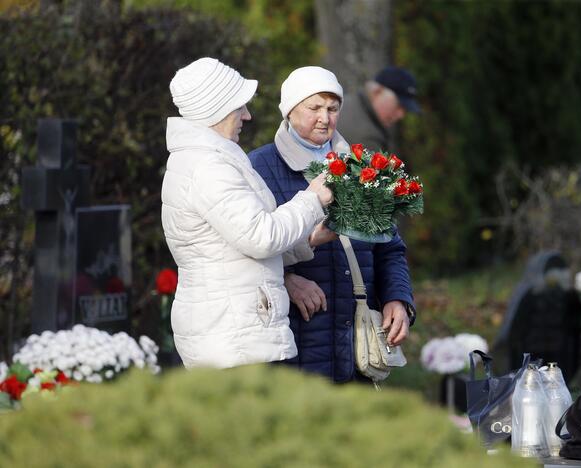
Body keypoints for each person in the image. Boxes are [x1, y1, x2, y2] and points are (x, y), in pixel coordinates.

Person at [161, 57, 334, 369]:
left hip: (235, 333)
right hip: (234, 340)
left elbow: (234, 247)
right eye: (239, 106)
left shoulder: (213, 158)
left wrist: (308, 240)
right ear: (216, 108)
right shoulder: (208, 166)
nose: (247, 115)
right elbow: (260, 237)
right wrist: (312, 199)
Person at [249, 66, 416, 383]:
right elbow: (243, 250)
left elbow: (390, 248)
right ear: (289, 111)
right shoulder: (259, 167)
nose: (324, 118)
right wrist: (285, 279)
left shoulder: (364, 166)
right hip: (296, 347)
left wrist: (397, 298)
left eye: (332, 108)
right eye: (314, 108)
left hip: (357, 347)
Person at [336, 65, 420, 152]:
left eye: (404, 109)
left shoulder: (345, 102)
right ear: (377, 91)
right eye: (398, 105)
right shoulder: (368, 139)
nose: (401, 115)